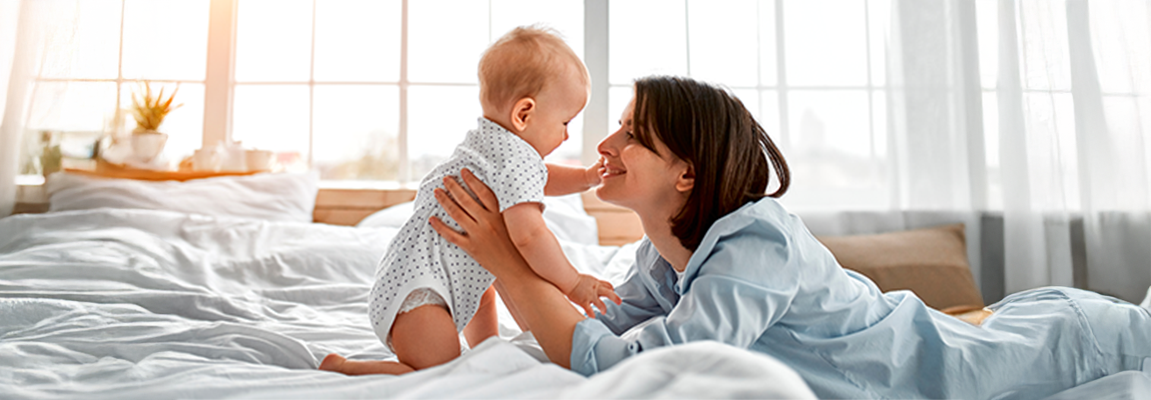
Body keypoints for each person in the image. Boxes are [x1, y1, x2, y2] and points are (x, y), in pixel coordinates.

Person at [428, 75, 1151, 398]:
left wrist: (505, 256)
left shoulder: (756, 244)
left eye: (632, 134)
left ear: (686, 173)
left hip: (1054, 348)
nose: (606, 143)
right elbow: (602, 325)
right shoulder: (666, 253)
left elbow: (616, 367)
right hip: (1003, 325)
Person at [319, 26, 620, 376]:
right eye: (565, 121)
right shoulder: (514, 158)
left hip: (416, 280)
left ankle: (487, 350)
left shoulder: (491, 143)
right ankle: (343, 368)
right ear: (524, 114)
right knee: (439, 373)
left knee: (482, 289)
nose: (567, 133)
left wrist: (584, 177)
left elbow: (538, 177)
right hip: (420, 296)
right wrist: (573, 282)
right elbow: (530, 237)